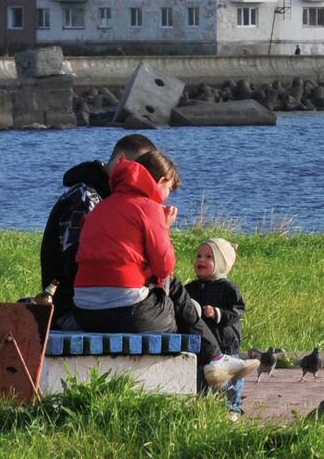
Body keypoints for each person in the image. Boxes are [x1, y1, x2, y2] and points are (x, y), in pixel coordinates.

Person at [35, 134, 159, 329]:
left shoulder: (116, 199)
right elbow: (76, 264)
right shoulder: (84, 199)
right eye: (141, 169)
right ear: (121, 160)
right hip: (76, 307)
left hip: (105, 301)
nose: (145, 179)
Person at [71, 148, 183, 336]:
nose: (166, 197)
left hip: (84, 311)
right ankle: (206, 358)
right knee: (171, 311)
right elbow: (164, 267)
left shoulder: (100, 207)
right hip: (126, 309)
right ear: (161, 181)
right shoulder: (149, 208)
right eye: (169, 189)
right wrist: (165, 227)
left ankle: (214, 354)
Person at [184, 237, 246, 414]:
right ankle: (202, 407)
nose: (201, 260)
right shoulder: (191, 288)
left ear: (220, 263)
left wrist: (217, 313)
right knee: (201, 376)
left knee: (228, 380)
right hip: (201, 344)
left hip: (224, 342)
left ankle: (231, 409)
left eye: (209, 257)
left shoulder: (228, 288)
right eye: (199, 255)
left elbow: (238, 310)